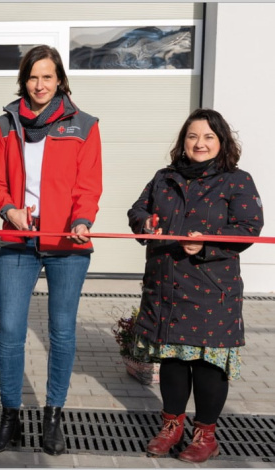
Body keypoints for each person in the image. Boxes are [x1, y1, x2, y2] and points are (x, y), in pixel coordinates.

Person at [0, 45, 102, 455]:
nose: (40, 84)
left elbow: (89, 184)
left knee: (62, 332)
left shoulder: (83, 125)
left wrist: (83, 219)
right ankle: (10, 418)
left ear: (59, 80)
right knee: (12, 332)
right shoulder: (6, 123)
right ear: (24, 79)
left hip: (67, 244)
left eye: (47, 77)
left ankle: (53, 416)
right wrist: (9, 209)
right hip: (18, 241)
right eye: (33, 77)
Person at [127, 108, 263, 463]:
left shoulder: (237, 180)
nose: (199, 143)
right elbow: (137, 211)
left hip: (212, 288)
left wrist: (207, 243)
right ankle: (171, 426)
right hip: (167, 284)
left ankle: (205, 435)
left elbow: (249, 227)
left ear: (221, 142)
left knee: (208, 365)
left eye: (207, 137)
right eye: (192, 136)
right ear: (183, 141)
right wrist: (147, 223)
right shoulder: (164, 177)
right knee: (172, 360)